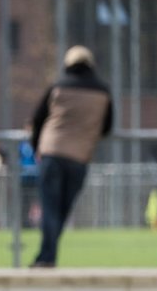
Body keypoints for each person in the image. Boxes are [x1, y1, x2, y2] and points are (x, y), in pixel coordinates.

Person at [28, 45, 114, 268]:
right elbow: (106, 127)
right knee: (63, 210)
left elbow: (37, 120)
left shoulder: (58, 86)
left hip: (52, 153)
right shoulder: (103, 92)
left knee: (50, 208)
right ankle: (47, 256)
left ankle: (46, 257)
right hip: (79, 158)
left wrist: (36, 146)